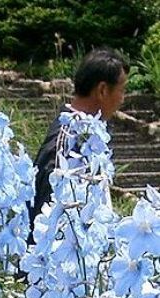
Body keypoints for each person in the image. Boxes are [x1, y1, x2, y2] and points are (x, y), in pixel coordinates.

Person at [28, 48, 129, 233]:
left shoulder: (92, 133)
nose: (123, 99)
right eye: (122, 90)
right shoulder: (64, 140)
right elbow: (48, 212)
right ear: (102, 90)